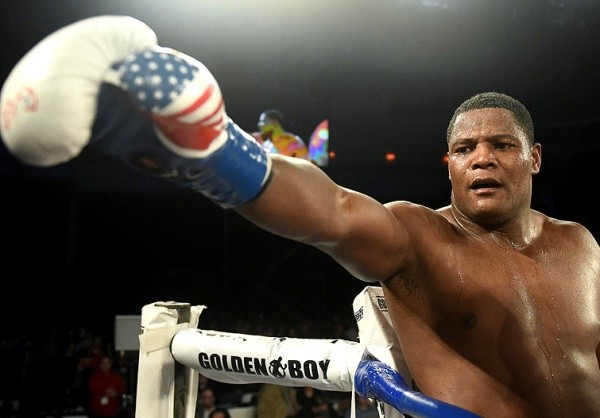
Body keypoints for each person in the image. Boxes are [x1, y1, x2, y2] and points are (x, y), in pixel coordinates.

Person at [3, 15, 600, 418]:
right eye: (465, 149)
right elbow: (332, 212)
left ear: (534, 158)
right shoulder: (419, 236)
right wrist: (212, 152)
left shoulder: (581, 246)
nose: (482, 159)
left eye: (501, 145)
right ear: (449, 165)